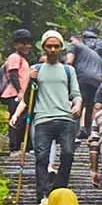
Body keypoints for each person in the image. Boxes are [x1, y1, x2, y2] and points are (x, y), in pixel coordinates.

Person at [27, 30, 84, 195]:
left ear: (61, 48)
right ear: (43, 47)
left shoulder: (68, 70)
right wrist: (31, 80)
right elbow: (27, 97)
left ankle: (58, 190)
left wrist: (78, 105)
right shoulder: (36, 69)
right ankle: (43, 195)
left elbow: (76, 94)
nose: (52, 50)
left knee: (68, 154)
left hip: (65, 118)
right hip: (42, 119)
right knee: (42, 158)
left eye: (56, 46)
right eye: (49, 46)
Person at [0, 32, 36, 154]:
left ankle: (25, 147)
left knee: (24, 120)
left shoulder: (23, 59)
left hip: (21, 95)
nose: (26, 46)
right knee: (16, 120)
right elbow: (13, 74)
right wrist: (20, 91)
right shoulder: (14, 57)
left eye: (28, 43)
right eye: (23, 43)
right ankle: (14, 148)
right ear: (16, 45)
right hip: (14, 94)